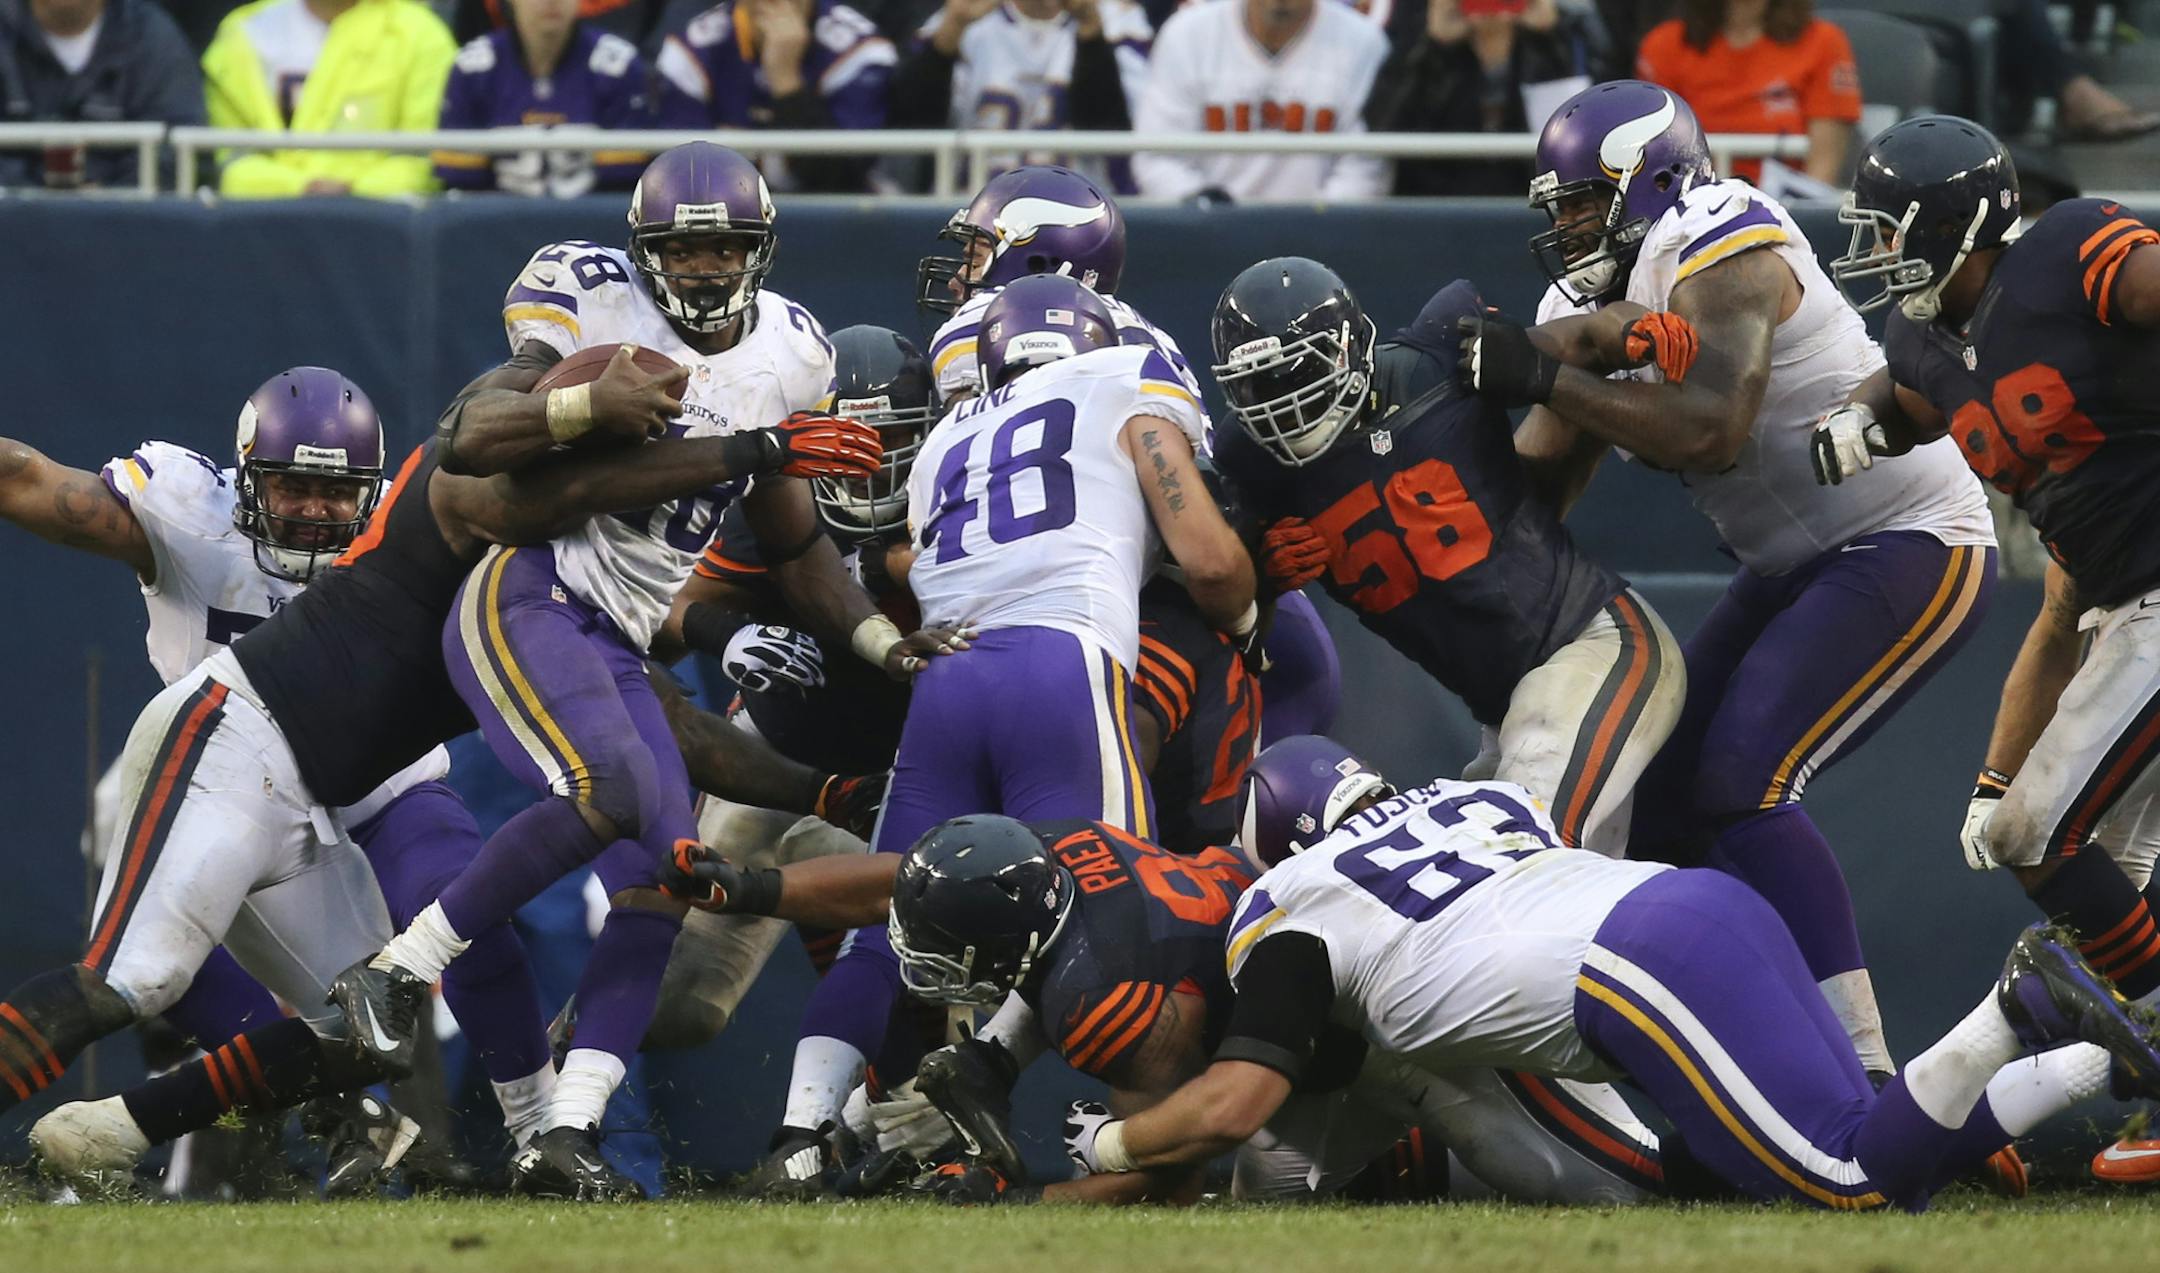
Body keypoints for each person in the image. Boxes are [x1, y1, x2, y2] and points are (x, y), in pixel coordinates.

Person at [0, 331, 798, 1155]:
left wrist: (821, 781)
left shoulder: (532, 573)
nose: (313, 509)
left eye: (334, 491)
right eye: (293, 486)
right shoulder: (430, 498)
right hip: (234, 747)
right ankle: (397, 1132)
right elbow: (30, 481)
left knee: (364, 1029)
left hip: (364, 779)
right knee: (137, 980)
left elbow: (660, 698)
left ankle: (119, 1130)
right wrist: (737, 450)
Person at [337, 142, 957, 1201]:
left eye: (726, 245)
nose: (708, 268)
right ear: (642, 249)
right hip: (534, 592)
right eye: (687, 246)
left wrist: (885, 648)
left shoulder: (793, 354)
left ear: (759, 249)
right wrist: (580, 410)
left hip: (620, 638)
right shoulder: (589, 299)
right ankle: (393, 972)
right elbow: (472, 432)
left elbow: (799, 553)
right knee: (612, 790)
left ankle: (564, 1132)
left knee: (664, 876)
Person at [1458, 80, 1996, 1080]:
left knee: (1745, 784)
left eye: (1582, 199)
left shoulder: (1722, 229)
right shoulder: (1578, 302)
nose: (1567, 224)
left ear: (1651, 181)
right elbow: (1539, 496)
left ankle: (1867, 1074)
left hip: (1910, 532)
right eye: (1559, 205)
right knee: (1661, 809)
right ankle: (1770, 1053)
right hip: (1787, 565)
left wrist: (1545, 373)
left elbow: (1713, 422)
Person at [1059, 739, 2160, 1213]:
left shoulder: (1286, 903)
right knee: (1868, 1148)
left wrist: (1109, 1141)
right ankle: (2085, 1057)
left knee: (1849, 1183)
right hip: (1691, 905)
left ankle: (2019, 1007)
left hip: (1638, 970)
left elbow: (1247, 1092)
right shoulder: (1474, 794)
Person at [745, 274, 1260, 1195]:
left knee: (895, 911)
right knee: (1114, 914)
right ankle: (1144, 1164)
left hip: (947, 678)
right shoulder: (1123, 381)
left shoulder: (946, 434)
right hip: (1059, 670)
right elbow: (1213, 564)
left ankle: (807, 1133)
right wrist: (1245, 616)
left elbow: (912, 549)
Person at [1815, 114, 2160, 1180]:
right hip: (2113, 603)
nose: (1871, 251)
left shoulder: (2066, 254)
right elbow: (1926, 394)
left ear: (1959, 222)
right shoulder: (1924, 343)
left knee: (2037, 835)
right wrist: (1864, 415)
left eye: (1887, 228)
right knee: (2115, 873)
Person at [1213, 261, 1686, 857]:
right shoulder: (1252, 464)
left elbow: (1584, 338)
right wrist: (1266, 578)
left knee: (1505, 858)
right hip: (1507, 713)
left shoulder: (1433, 361)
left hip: (1592, 643)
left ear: (1349, 348)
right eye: (1261, 384)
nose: (1284, 399)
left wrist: (1631, 329)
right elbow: (1234, 626)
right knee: (1483, 893)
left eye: (1300, 369)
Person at [1132, 0, 1389, 203]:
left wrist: (1315, 222)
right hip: (1208, 237)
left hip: (1326, 241)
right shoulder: (1186, 35)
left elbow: (1366, 168)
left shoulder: (1364, 42)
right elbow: (1158, 157)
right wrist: (1206, 212)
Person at [200, 0, 457, 197]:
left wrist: (352, 194)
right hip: (263, 226)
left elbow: (424, 160)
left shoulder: (422, 36)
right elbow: (231, 160)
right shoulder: (244, 31)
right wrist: (300, 188)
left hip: (382, 228)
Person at [886, 0, 1151, 187]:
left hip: (1078, 213)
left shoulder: (1119, 19)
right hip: (974, 206)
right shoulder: (963, 15)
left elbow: (1108, 127)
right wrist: (950, 32)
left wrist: (1091, 34)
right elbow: (913, 122)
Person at [653, 0, 895, 192]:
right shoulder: (691, 51)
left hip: (831, 227)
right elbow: (682, 182)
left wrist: (786, 82)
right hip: (725, 228)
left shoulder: (862, 51)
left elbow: (843, 181)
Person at [432, 0, 666, 196]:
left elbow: (621, 187)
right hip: (495, 234)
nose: (551, 1)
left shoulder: (619, 66)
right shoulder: (472, 69)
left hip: (593, 233)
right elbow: (460, 186)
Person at [1365, 0, 1592, 197]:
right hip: (1435, 205)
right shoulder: (1415, 33)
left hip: (1534, 205)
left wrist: (1549, 41)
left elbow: (1581, 134)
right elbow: (1383, 128)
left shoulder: (1564, 31)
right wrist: (1435, 49)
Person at [1633, 0, 1858, 186]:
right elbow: (1655, 164)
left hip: (1789, 213)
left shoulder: (1824, 42)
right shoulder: (1663, 45)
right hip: (1690, 211)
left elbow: (1823, 169)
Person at [0, 0, 203, 190]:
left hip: (129, 222)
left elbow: (175, 153)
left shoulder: (152, 37)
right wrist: (32, 203)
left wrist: (105, 205)